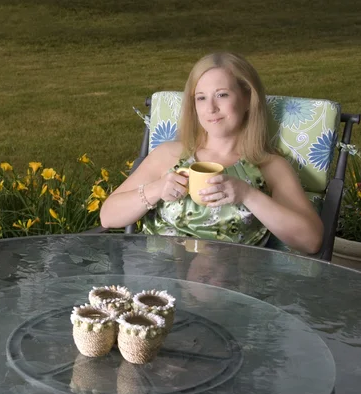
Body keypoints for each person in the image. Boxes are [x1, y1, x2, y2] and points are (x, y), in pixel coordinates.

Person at [100, 52, 323, 255]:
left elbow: (311, 241)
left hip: (232, 286)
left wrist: (248, 195)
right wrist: (156, 189)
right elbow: (108, 217)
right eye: (201, 98)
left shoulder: (268, 166)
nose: (211, 108)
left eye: (222, 95)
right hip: (156, 283)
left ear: (247, 99)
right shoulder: (169, 155)